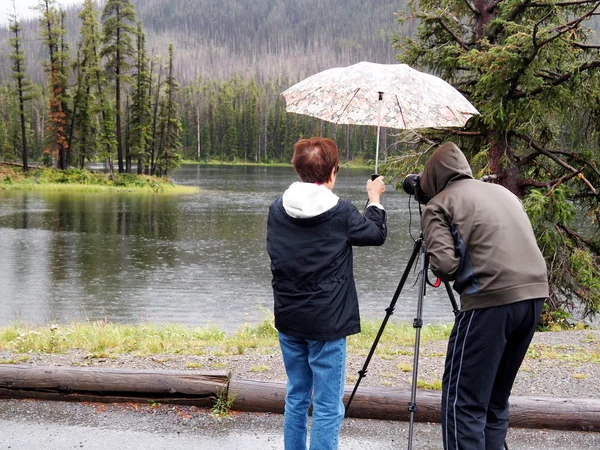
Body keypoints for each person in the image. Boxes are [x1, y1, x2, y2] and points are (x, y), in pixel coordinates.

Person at [418, 142, 549, 450]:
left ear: (433, 177)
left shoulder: (438, 204)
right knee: (494, 401)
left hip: (489, 302)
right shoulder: (505, 193)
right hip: (534, 296)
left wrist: (434, 239)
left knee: (462, 403)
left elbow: (445, 266)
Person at [266, 137, 387, 450]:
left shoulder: (277, 208)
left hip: (289, 318)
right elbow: (375, 235)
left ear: (297, 169)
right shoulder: (342, 212)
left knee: (296, 396)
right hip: (328, 324)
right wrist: (374, 199)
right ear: (333, 172)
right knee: (327, 405)